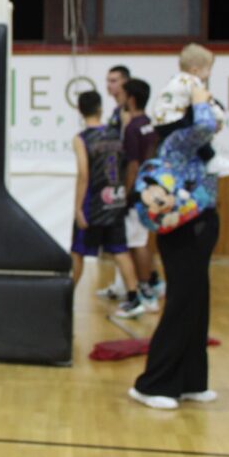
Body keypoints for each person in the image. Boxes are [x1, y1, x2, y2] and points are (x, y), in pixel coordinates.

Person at [129, 81, 224, 410]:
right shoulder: (180, 139)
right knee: (182, 304)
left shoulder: (196, 146)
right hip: (184, 231)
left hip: (200, 225)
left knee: (197, 305)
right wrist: (199, 94)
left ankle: (191, 380)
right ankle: (154, 383)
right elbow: (206, 124)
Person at [69, 91, 141, 315]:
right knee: (120, 249)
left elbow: (84, 174)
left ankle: (65, 298)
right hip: (115, 199)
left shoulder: (82, 138)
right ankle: (134, 297)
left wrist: (78, 208)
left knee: (78, 252)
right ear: (100, 108)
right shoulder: (115, 134)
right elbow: (127, 165)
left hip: (93, 203)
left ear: (80, 111)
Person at [96, 78, 163, 312]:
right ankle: (147, 285)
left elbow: (133, 164)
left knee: (136, 243)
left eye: (123, 93)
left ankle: (145, 290)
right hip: (149, 189)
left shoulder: (134, 128)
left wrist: (125, 193)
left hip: (136, 193)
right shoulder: (148, 124)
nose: (119, 98)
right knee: (140, 240)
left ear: (131, 99)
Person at [152, 43, 226, 170]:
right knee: (198, 136)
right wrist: (219, 117)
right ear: (195, 70)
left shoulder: (174, 80)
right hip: (176, 123)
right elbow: (207, 103)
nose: (209, 74)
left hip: (160, 125)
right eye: (208, 69)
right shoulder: (193, 81)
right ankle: (211, 158)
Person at [105, 65, 130, 130]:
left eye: (113, 81)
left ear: (125, 82)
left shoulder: (128, 109)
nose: (108, 85)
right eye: (108, 81)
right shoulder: (117, 109)